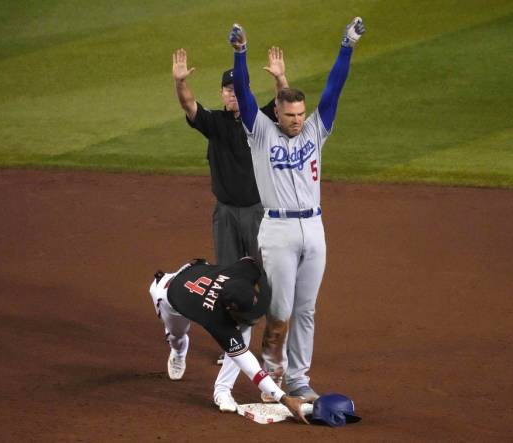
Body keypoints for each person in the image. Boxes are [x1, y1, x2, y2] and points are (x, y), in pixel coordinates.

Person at [227, 17, 366, 402]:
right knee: (281, 311)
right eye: (290, 116)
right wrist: (241, 54)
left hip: (315, 229)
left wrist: (346, 47)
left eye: (301, 114)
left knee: (307, 311)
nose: (297, 121)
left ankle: (299, 379)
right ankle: (272, 377)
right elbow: (243, 92)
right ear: (277, 112)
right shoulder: (260, 132)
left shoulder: (315, 131)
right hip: (279, 231)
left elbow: (334, 88)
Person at [173, 47, 289, 368]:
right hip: (225, 214)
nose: (233, 94)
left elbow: (284, 104)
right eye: (228, 89)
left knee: (266, 276)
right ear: (223, 94)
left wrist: (280, 77)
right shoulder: (215, 123)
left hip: (257, 212)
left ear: (246, 93)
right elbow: (188, 104)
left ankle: (272, 343)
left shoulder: (260, 120)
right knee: (225, 278)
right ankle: (232, 344)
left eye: (239, 90)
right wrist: (180, 82)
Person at [148, 257, 309, 424]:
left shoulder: (246, 270)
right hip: (167, 296)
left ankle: (222, 391)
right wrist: (283, 398)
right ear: (227, 309)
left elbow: (250, 261)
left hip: (195, 270)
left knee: (242, 330)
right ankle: (179, 351)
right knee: (177, 335)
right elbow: (247, 364)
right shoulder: (213, 318)